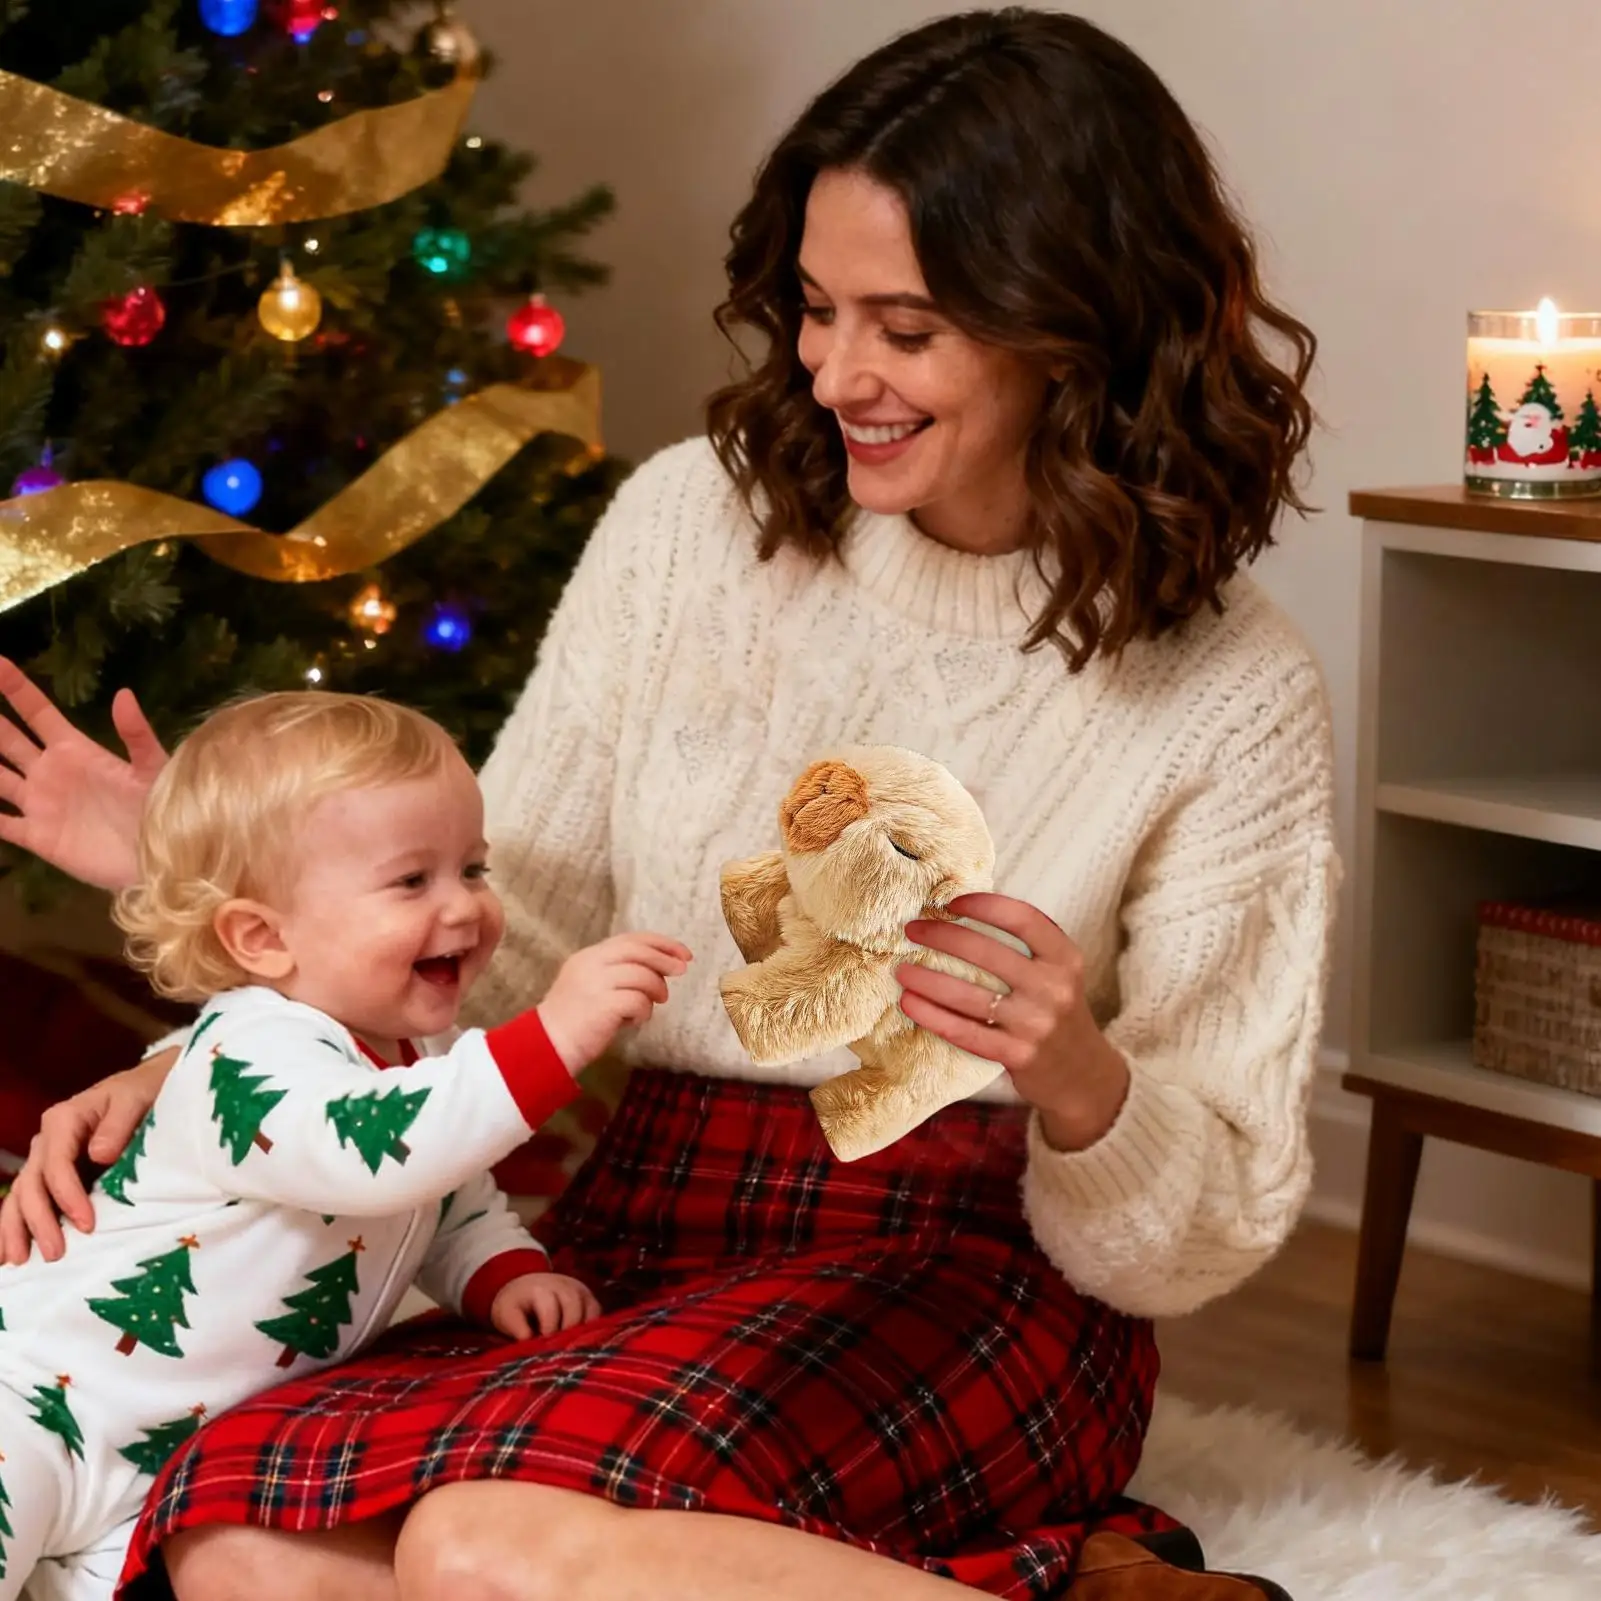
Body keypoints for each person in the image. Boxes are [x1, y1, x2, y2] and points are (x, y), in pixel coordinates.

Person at [0, 10, 1338, 1600]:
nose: (838, 374)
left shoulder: (1232, 685)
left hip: (964, 1269)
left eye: (906, 328)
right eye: (816, 308)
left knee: (483, 1543)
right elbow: (508, 936)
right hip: (649, 1209)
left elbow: (1196, 1226)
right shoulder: (690, 528)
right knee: (229, 1541)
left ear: (1079, 324)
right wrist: (221, 1046)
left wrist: (1080, 1078)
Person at [0, 690, 690, 1601]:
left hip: (151, 1464)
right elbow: (381, 1150)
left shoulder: (414, 1052)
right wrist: (552, 1034)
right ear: (261, 936)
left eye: (472, 868)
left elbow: (449, 1191)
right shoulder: (244, 1057)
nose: (465, 906)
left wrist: (499, 1270)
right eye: (413, 881)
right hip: (38, 1402)